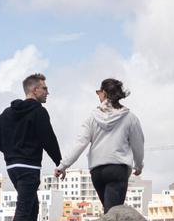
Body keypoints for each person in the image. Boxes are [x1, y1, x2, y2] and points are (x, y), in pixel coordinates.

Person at [0, 73, 62, 221]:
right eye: (45, 88)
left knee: (31, 207)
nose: (48, 92)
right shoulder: (39, 112)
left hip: (13, 167)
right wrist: (60, 163)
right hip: (29, 167)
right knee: (23, 208)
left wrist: (11, 152)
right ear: (34, 90)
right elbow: (49, 139)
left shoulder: (7, 112)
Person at [54, 78, 145, 213]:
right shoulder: (130, 118)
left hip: (97, 171)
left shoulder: (92, 117)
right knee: (112, 213)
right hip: (117, 169)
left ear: (104, 93)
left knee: (109, 211)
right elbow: (138, 144)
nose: (98, 96)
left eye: (98, 92)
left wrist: (63, 165)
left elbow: (80, 143)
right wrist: (138, 165)